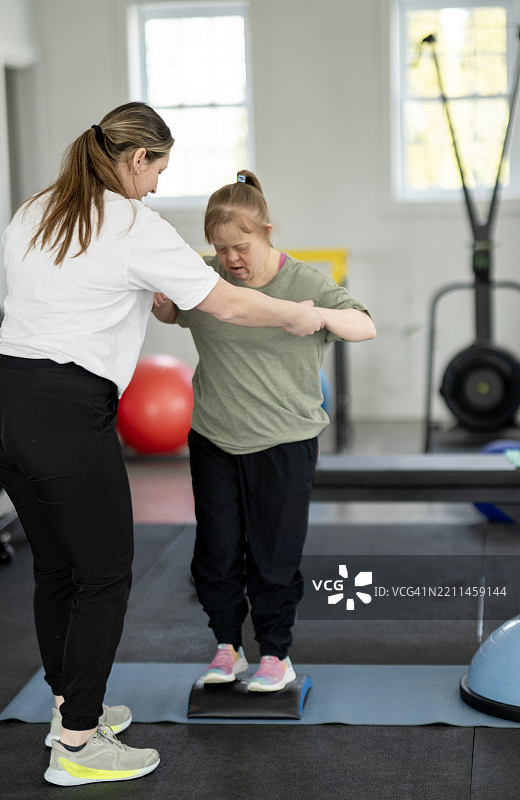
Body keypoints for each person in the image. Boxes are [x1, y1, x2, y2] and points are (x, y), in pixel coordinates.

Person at [0, 106, 325, 788]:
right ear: (137, 158)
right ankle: (78, 747)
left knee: (57, 568)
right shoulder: (132, 224)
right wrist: (304, 313)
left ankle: (70, 709)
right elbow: (225, 302)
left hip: (3, 400)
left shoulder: (34, 210)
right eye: (158, 170)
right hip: (65, 413)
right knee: (105, 574)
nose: (156, 185)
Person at [152, 169, 376, 693]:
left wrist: (318, 317)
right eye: (220, 248)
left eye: (241, 246)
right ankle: (226, 646)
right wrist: (164, 307)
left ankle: (275, 653)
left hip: (284, 441)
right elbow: (175, 314)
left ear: (267, 232)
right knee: (216, 551)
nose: (231, 259)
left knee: (274, 554)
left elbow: (364, 325)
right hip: (214, 437)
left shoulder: (305, 283)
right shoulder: (207, 279)